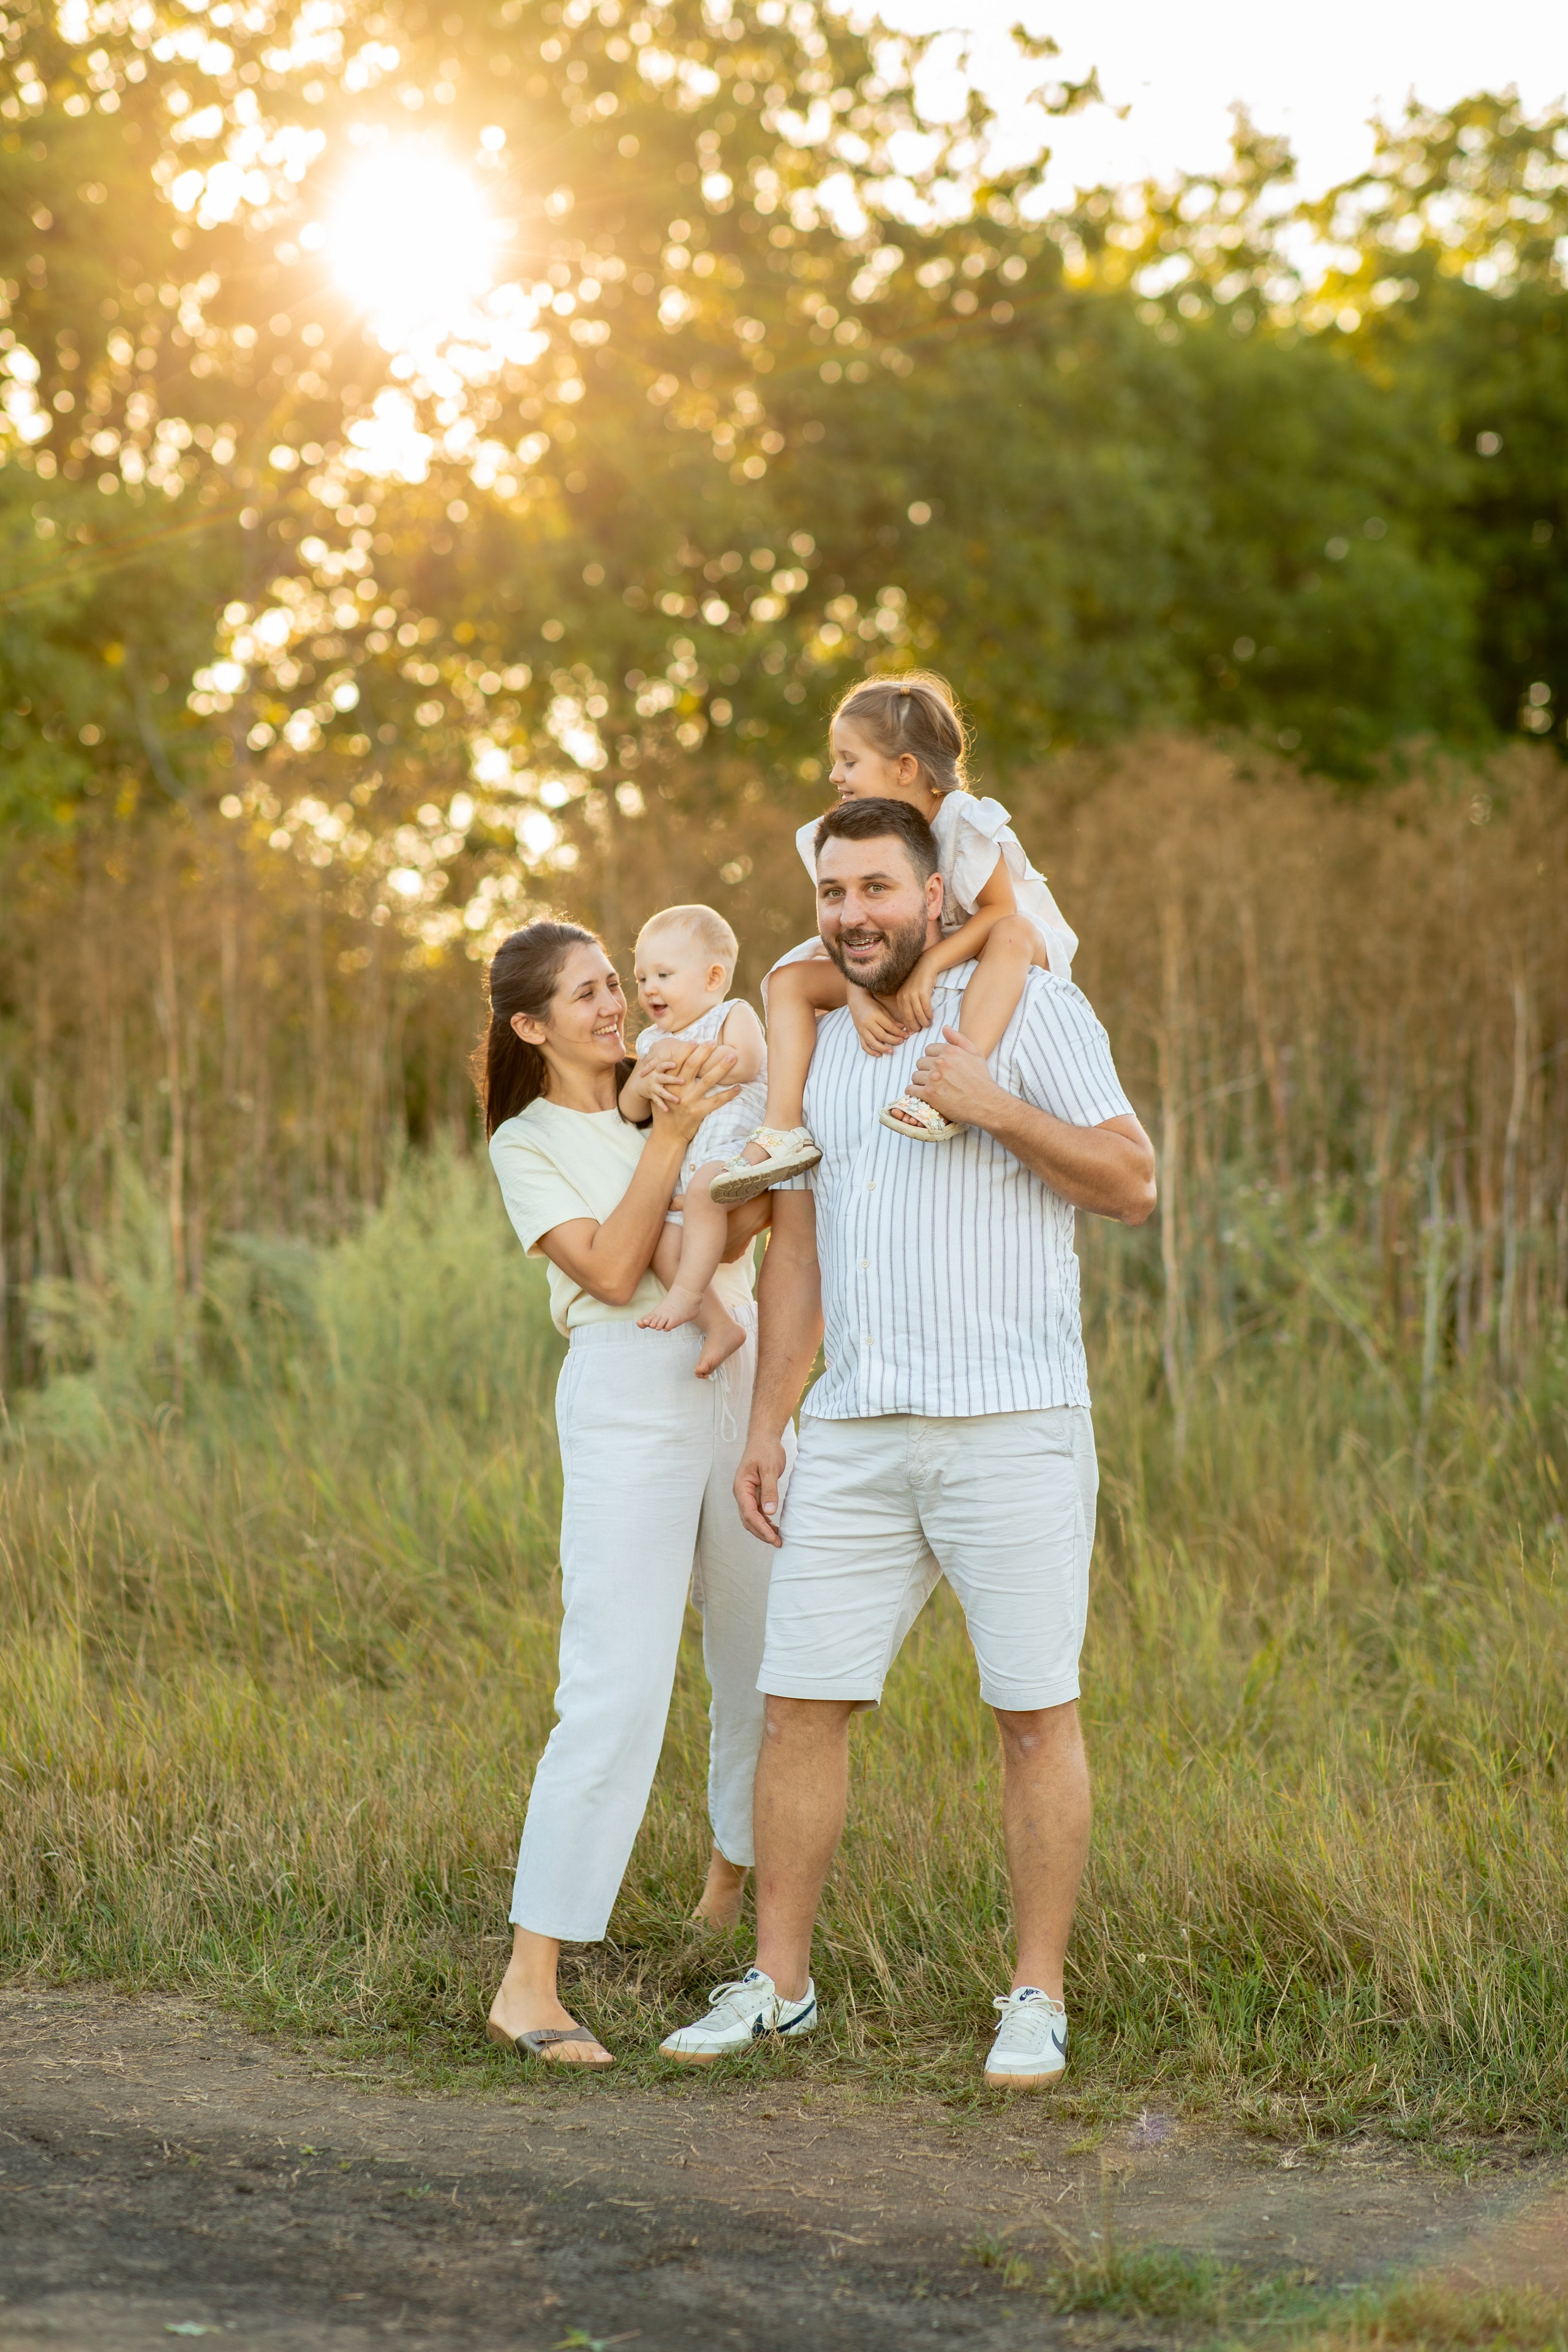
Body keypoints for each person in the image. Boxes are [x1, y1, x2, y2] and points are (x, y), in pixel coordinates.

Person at [658, 799, 1156, 2087]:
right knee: (796, 1708)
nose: (852, 914)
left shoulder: (1031, 1007)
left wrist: (988, 1101)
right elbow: (800, 1256)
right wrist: (769, 1423)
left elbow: (1131, 1182)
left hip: (1012, 1421)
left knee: (1033, 1716)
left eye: (875, 887)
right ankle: (778, 1986)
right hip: (855, 1428)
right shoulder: (814, 1041)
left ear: (936, 898)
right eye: (833, 892)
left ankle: (1033, 1997)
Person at [478, 919, 790, 2068]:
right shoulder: (529, 1144)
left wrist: (705, 1122)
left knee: (763, 1657)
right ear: (531, 1026)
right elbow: (611, 1269)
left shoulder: (682, 1061)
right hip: (627, 1394)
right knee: (614, 1684)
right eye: (586, 995)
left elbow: (760, 1206)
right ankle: (530, 1981)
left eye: (617, 982)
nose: (615, 1006)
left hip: (747, 1373)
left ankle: (730, 1897)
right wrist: (673, 1134)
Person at [712, 671, 1078, 1205]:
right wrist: (859, 995)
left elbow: (999, 909)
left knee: (1015, 933)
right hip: (915, 951)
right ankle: (783, 1128)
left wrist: (931, 968)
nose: (835, 774)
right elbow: (849, 931)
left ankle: (959, 1074)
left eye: (849, 760)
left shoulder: (962, 821)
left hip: (1001, 944)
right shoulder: (846, 833)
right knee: (790, 980)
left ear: (905, 768)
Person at [620, 903, 769, 1379]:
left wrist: (684, 1053)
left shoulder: (732, 1015)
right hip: (691, 1163)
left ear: (712, 978)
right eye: (642, 978)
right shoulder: (648, 1043)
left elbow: (747, 1063)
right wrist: (640, 1085)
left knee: (706, 1192)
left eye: (664, 974)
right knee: (662, 1240)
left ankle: (685, 1294)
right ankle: (718, 1325)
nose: (649, 989)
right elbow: (630, 1110)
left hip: (739, 1149)